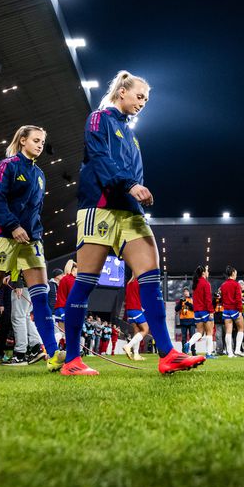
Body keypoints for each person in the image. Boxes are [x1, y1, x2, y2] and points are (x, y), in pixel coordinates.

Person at [59, 71, 205, 375]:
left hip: (129, 210)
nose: (143, 103)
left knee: (150, 274)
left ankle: (168, 355)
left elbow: (130, 173)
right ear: (122, 91)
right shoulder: (99, 119)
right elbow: (99, 159)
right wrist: (128, 184)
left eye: (147, 100)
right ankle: (72, 359)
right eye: (139, 96)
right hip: (99, 208)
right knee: (85, 281)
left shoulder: (131, 135)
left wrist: (137, 192)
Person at [0, 126, 62, 373]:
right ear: (23, 141)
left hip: (32, 241)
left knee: (41, 296)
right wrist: (13, 225)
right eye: (36, 140)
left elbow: (36, 210)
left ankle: (52, 354)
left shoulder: (40, 174)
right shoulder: (7, 165)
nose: (40, 145)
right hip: (4, 238)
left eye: (42, 141)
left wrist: (34, 233)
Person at [186, 265, 214, 357]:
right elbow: (208, 299)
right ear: (203, 273)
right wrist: (211, 311)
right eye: (207, 271)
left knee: (199, 332)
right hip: (205, 311)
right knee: (209, 332)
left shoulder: (195, 284)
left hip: (197, 312)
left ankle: (189, 343)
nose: (208, 272)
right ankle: (209, 354)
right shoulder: (206, 283)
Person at [121, 273, 149, 360]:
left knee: (136, 331)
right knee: (145, 329)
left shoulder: (129, 283)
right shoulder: (139, 283)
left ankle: (136, 354)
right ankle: (128, 346)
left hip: (129, 310)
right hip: (136, 309)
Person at [219, 266, 244, 357]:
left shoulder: (223, 285)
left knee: (228, 331)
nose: (236, 275)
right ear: (233, 273)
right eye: (236, 273)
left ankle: (230, 352)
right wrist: (240, 310)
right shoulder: (236, 284)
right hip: (235, 310)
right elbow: (238, 299)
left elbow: (221, 299)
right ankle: (237, 350)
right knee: (241, 328)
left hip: (226, 310)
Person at [176, 288, 195, 352]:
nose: (186, 293)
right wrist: (181, 302)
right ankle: (184, 351)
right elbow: (176, 309)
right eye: (184, 291)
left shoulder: (192, 299)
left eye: (187, 291)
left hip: (191, 320)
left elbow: (194, 308)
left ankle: (193, 351)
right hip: (183, 320)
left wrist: (187, 303)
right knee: (184, 337)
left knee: (192, 337)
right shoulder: (181, 300)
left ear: (189, 292)